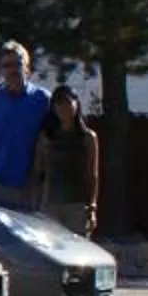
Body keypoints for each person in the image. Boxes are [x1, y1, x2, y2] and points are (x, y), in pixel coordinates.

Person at [0, 40, 52, 213]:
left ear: (27, 67)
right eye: (7, 65)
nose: (12, 70)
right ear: (1, 71)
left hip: (32, 186)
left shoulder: (43, 100)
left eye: (17, 64)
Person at [41, 87, 100, 238]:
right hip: (52, 204)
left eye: (67, 103)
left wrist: (92, 207)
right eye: (58, 104)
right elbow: (40, 171)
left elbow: (92, 174)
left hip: (77, 205)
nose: (63, 108)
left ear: (76, 105)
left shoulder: (87, 137)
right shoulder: (47, 137)